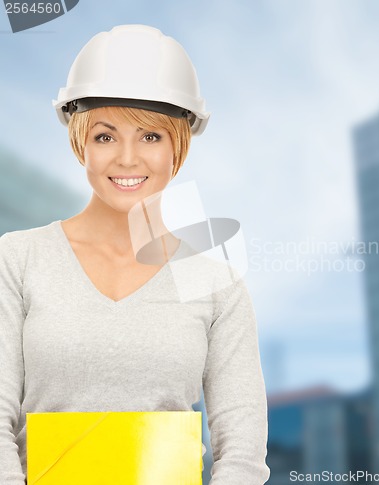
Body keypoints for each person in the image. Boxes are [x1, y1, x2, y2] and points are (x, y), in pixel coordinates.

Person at [0, 24, 270, 484]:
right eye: (106, 136)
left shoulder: (217, 285)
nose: (127, 158)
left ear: (178, 148)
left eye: (151, 137)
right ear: (79, 142)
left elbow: (242, 451)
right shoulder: (17, 259)